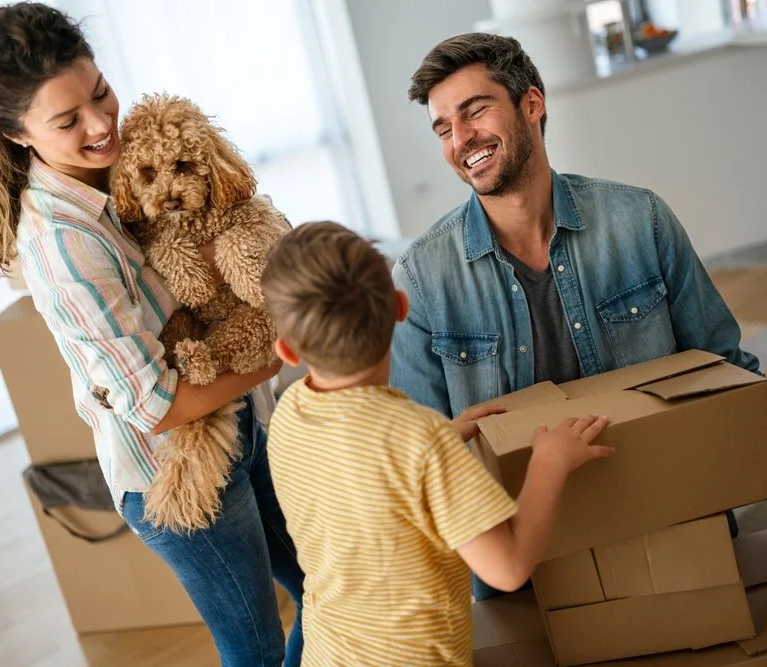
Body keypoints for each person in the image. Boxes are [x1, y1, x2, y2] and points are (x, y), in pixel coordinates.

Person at [391, 32, 767, 601]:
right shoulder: (423, 276)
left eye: (474, 111)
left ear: (531, 104)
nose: (461, 139)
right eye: (442, 128)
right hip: (525, 571)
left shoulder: (641, 221)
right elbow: (414, 457)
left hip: (674, 525)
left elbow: (735, 380)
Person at [0, 4, 303, 665]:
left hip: (237, 426)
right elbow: (157, 406)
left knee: (325, 583)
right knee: (255, 651)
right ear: (18, 135)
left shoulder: (123, 166)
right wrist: (292, 343)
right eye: (68, 120)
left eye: (100, 92)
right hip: (179, 472)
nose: (104, 124)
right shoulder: (65, 250)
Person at [260, 221, 613, 666]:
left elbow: (357, 469)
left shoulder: (291, 412)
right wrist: (550, 462)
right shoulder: (418, 438)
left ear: (287, 352)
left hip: (327, 653)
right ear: (400, 308)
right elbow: (507, 568)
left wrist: (442, 440)